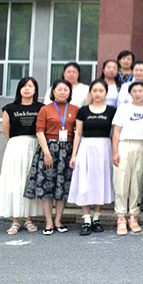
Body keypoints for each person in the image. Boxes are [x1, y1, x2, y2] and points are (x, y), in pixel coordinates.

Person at [24, 79, 79, 235]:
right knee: (47, 186)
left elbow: (78, 132)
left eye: (65, 89)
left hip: (67, 150)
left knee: (62, 187)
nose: (62, 92)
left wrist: (74, 154)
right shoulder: (45, 109)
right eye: (59, 89)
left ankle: (58, 220)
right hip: (48, 149)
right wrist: (47, 153)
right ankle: (48, 222)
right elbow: (39, 131)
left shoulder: (75, 109)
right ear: (53, 91)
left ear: (69, 92)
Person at [68, 79, 115, 235]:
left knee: (100, 181)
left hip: (104, 148)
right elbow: (78, 133)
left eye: (101, 91)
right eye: (94, 90)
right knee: (85, 181)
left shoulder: (111, 111)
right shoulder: (83, 111)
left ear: (106, 93)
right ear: (90, 93)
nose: (97, 94)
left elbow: (114, 133)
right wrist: (73, 155)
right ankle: (86, 218)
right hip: (86, 147)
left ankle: (96, 218)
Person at [111, 81, 143, 235]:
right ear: (130, 93)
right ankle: (121, 217)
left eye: (140, 91)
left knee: (137, 180)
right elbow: (116, 131)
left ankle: (133, 216)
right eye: (134, 91)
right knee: (121, 181)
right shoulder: (123, 108)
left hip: (141, 145)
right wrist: (115, 152)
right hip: (124, 145)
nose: (137, 94)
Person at [0, 77, 43, 234]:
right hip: (16, 147)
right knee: (15, 181)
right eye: (24, 86)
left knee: (29, 181)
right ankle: (15, 221)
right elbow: (6, 132)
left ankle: (29, 219)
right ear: (19, 89)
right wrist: (18, 143)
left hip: (34, 145)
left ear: (35, 90)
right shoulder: (9, 108)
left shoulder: (41, 108)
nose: (27, 89)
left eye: (30, 86)